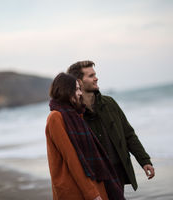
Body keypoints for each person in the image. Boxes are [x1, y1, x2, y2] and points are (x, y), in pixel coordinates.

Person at [67, 61, 155, 191]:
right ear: (79, 82)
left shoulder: (110, 103)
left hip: (118, 170)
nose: (96, 78)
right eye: (91, 76)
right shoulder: (73, 113)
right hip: (95, 175)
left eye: (95, 74)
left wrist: (144, 160)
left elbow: (128, 134)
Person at [45, 72, 126, 200]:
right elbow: (72, 158)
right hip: (74, 189)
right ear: (66, 90)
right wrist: (91, 193)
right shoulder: (56, 117)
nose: (80, 93)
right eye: (76, 89)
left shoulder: (76, 115)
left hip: (92, 182)